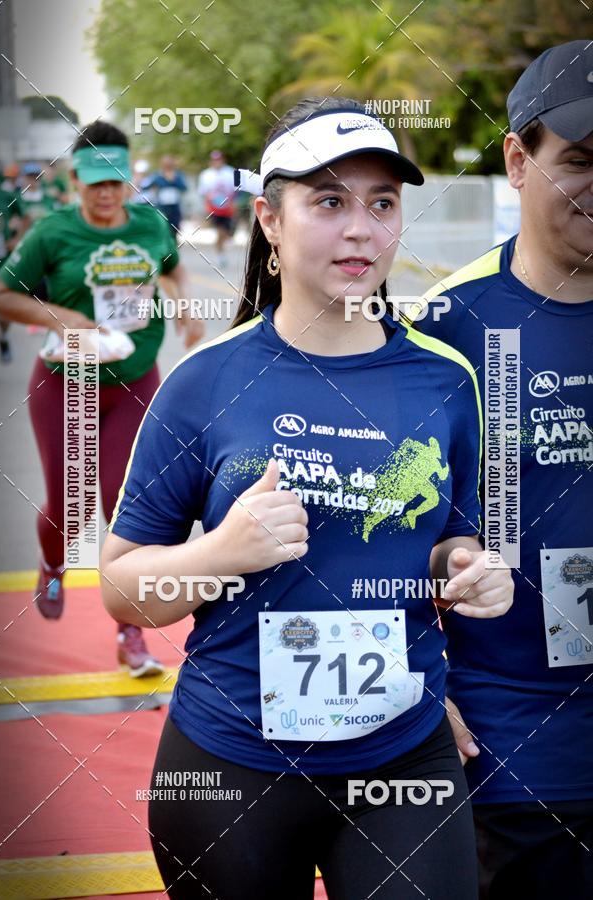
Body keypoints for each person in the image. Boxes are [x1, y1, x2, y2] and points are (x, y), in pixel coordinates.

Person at [101, 97, 514, 899]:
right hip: (231, 766)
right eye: (328, 202)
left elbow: (450, 539)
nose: (361, 230)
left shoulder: (447, 379)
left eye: (382, 204)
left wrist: (468, 567)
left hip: (403, 760)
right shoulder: (204, 381)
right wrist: (222, 552)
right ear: (269, 220)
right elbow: (122, 590)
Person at [419, 40, 593, 900]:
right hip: (518, 754)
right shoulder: (442, 329)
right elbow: (372, 532)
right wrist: (419, 684)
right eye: (582, 161)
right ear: (518, 160)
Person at [0, 121, 204, 676]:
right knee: (72, 505)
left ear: (128, 178)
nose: (106, 193)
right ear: (75, 181)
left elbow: (173, 269)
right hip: (67, 382)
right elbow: (1, 294)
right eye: (94, 183)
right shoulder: (53, 232)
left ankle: (130, 630)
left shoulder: (150, 223)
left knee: (125, 502)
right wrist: (61, 316)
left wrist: (184, 306)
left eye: (114, 181)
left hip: (135, 381)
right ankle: (52, 562)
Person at [0, 174, 25, 364]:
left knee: (4, 313)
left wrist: (16, 238)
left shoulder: (4, 196)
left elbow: (25, 217)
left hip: (1, 265)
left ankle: (3, 338)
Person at [197, 149, 235, 268]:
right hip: (214, 208)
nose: (217, 162)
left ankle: (222, 247)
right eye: (214, 160)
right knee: (220, 231)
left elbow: (237, 190)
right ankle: (220, 255)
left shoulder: (230, 172)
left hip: (228, 207)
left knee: (227, 232)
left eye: (219, 159)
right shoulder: (206, 174)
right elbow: (203, 192)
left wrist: (234, 203)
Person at [145, 155, 188, 234]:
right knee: (163, 225)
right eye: (166, 164)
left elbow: (184, 187)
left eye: (170, 164)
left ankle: (174, 240)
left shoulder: (178, 175)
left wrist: (173, 180)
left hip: (175, 206)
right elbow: (146, 186)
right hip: (162, 206)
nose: (168, 166)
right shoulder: (157, 175)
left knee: (175, 226)